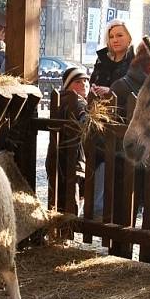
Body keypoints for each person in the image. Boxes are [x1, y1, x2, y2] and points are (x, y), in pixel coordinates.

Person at [45, 66, 90, 212]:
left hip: (57, 158)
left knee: (57, 200)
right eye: (78, 81)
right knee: (72, 202)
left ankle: (60, 231)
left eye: (86, 81)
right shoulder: (78, 103)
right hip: (73, 159)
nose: (83, 84)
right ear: (68, 85)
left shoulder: (60, 101)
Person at [90, 19, 134, 96]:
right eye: (111, 37)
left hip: (126, 107)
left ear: (130, 38)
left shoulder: (136, 61)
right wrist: (93, 87)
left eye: (119, 35)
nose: (115, 40)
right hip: (99, 106)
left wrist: (112, 91)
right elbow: (93, 81)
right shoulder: (102, 58)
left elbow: (138, 89)